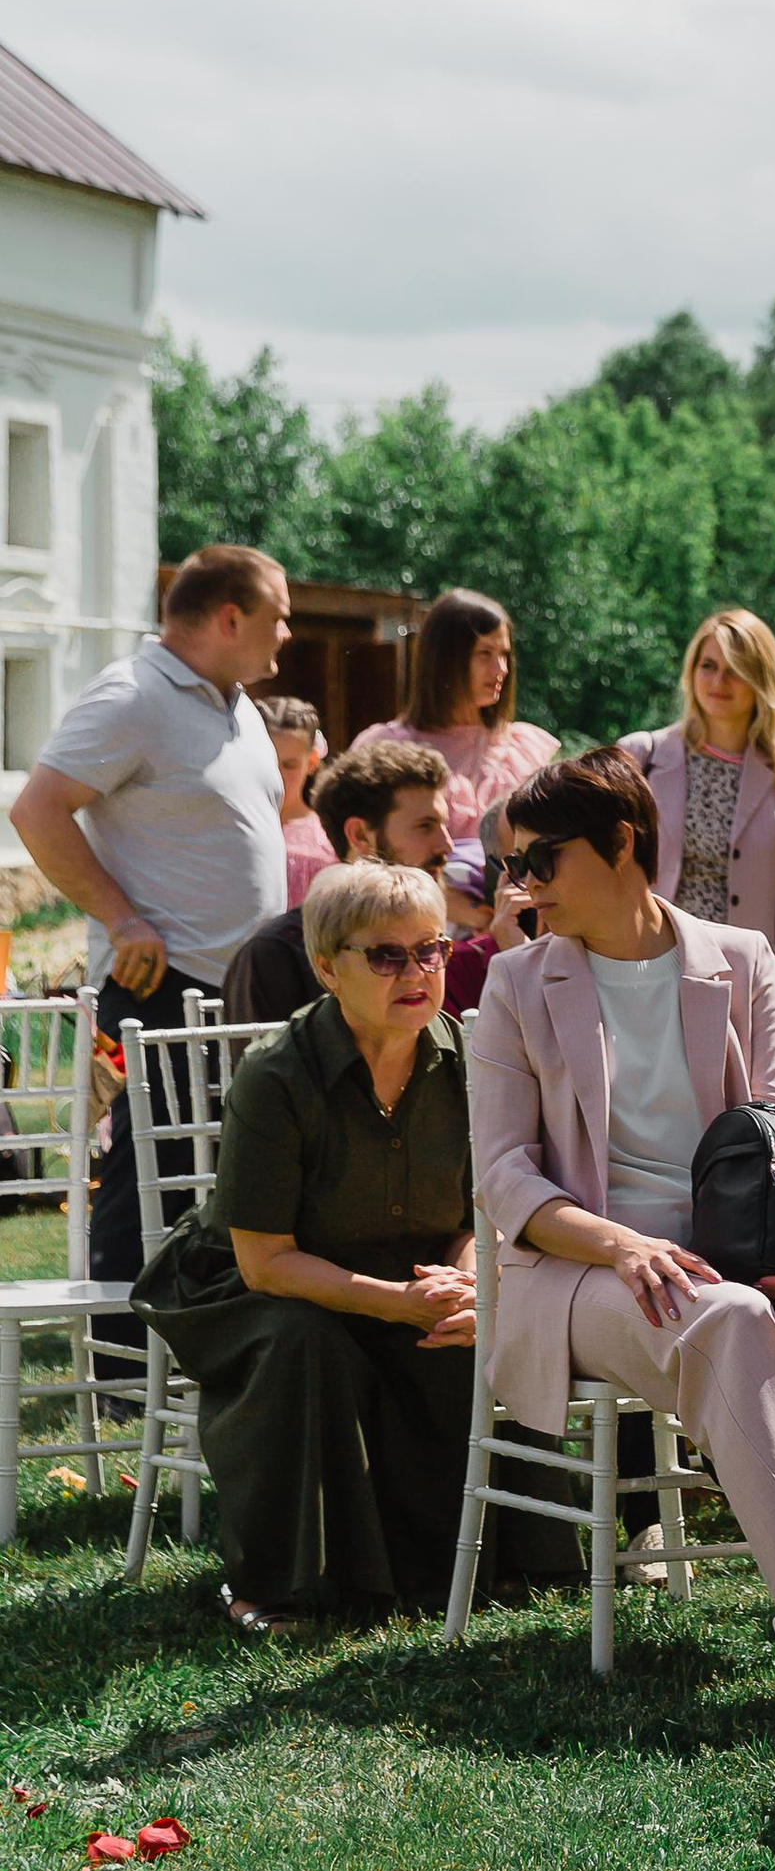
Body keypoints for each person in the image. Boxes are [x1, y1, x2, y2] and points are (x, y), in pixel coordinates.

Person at [469, 746, 775, 1762]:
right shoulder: (516, 985)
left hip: (739, 1248)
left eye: (542, 861)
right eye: (513, 866)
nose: (523, 888)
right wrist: (623, 1246)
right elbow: (503, 1176)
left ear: (619, 846)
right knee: (730, 1316)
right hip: (581, 1274)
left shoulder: (737, 961)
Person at [130, 862, 480, 1634]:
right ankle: (269, 1588)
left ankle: (464, 1562)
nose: (417, 972)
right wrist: (396, 1300)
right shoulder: (277, 1073)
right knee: (302, 1341)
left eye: (432, 951)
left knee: (464, 1329)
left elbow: (477, 1215)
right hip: (249, 1285)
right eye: (386, 956)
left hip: (401, 1269)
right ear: (328, 967)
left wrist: (465, 1281)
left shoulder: (468, 1061)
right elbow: (265, 1261)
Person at [10, 545, 291, 1307]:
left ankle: (200, 1340)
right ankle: (125, 1365)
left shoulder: (234, 704)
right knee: (149, 1170)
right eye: (279, 616)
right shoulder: (132, 695)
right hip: (161, 985)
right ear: (230, 618)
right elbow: (35, 809)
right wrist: (121, 917)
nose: (288, 634)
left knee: (223, 1173)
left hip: (240, 988)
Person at [621, 610, 775, 1010]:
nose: (717, 682)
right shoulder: (643, 756)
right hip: (650, 968)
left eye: (735, 670)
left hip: (744, 977)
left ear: (760, 679)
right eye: (708, 666)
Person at [223, 738, 455, 1024]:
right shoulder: (276, 955)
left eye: (428, 953)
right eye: (425, 827)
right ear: (359, 834)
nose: (446, 845)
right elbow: (264, 1066)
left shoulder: (438, 936)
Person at [380, 589, 558, 847]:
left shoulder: (523, 750)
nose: (501, 669)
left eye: (504, 654)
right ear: (446, 658)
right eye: (485, 653)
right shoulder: (389, 747)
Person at [258, 696, 333, 902]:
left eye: (289, 765)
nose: (276, 775)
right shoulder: (225, 826)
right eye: (267, 762)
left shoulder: (326, 841)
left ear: (311, 762)